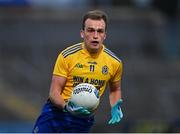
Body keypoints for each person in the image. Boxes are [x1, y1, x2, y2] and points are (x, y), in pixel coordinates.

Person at [32, 10, 123, 133]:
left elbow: (115, 89)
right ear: (82, 33)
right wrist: (67, 107)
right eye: (90, 30)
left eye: (100, 31)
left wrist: (115, 106)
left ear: (105, 35)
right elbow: (54, 92)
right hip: (55, 115)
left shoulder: (114, 62)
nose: (95, 35)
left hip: (82, 120)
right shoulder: (67, 56)